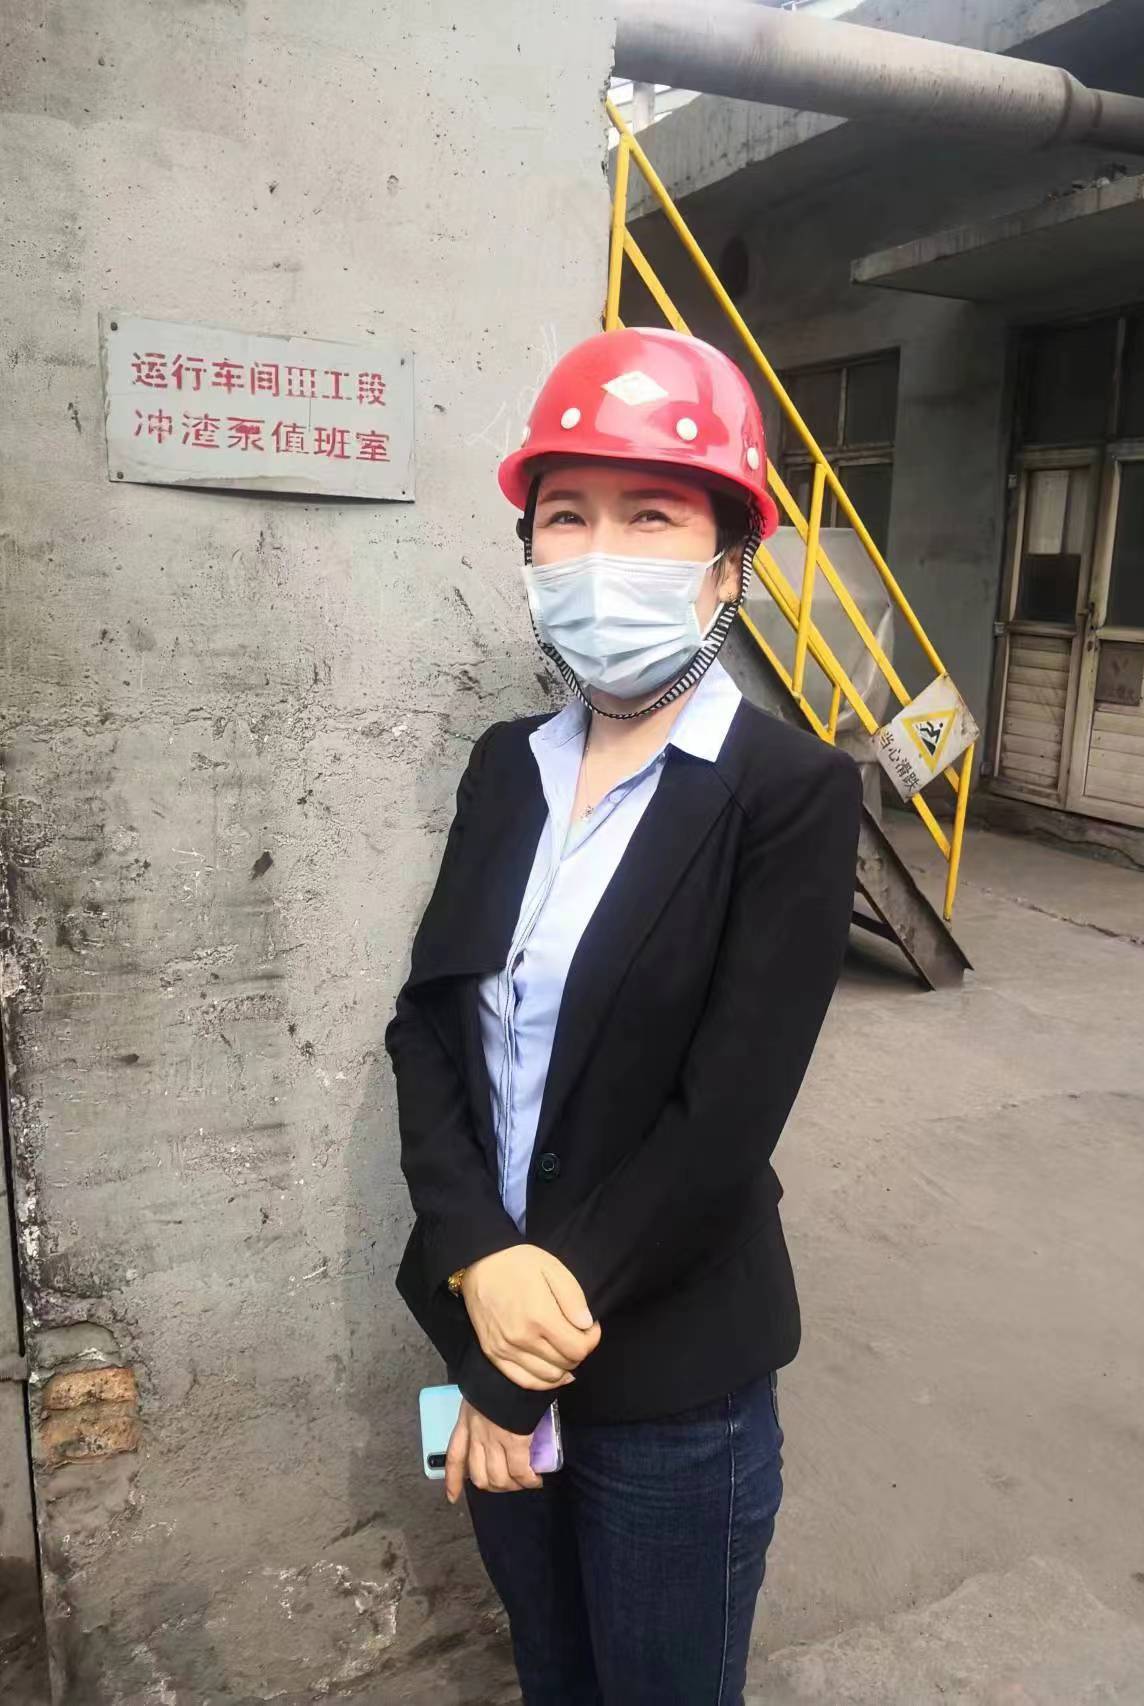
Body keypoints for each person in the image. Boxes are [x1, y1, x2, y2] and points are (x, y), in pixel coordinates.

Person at [386, 326, 862, 1705]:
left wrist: (520, 1364)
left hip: (668, 1381)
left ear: (729, 565)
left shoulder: (788, 795)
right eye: (567, 516)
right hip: (480, 1330)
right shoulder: (506, 768)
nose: (599, 554)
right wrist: (478, 1262)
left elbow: (723, 1123)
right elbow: (429, 1028)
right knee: (550, 1670)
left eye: (651, 516)